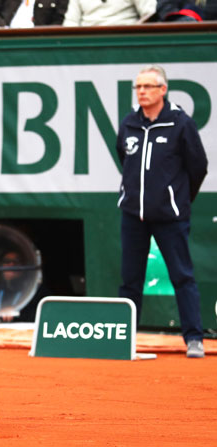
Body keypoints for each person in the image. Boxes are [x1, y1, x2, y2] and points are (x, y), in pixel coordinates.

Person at [116, 65, 208, 358]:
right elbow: (124, 157)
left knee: (182, 276)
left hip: (171, 216)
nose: (141, 91)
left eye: (147, 87)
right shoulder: (129, 122)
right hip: (133, 214)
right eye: (138, 87)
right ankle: (124, 338)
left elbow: (198, 167)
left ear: (162, 90)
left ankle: (194, 338)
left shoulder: (181, 123)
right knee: (130, 279)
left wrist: (177, 199)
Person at [62, 0, 156, 26]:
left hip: (126, 38)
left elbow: (149, 13)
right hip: (88, 41)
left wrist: (132, 32)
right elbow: (70, 22)